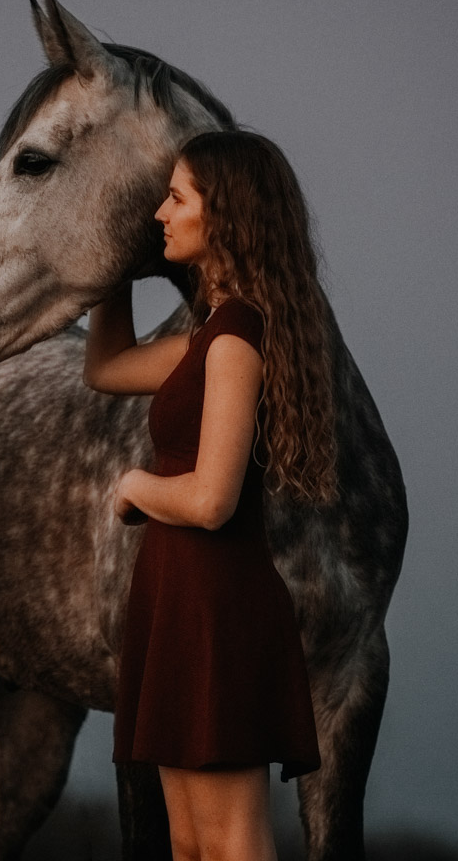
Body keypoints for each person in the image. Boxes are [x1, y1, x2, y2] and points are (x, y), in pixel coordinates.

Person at [83, 129, 338, 861]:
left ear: (222, 215)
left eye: (176, 197)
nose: (161, 213)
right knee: (191, 846)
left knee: (229, 843)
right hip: (177, 596)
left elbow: (211, 501)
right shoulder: (207, 337)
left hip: (217, 605)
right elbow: (107, 366)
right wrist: (114, 268)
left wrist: (134, 485)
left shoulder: (234, 340)